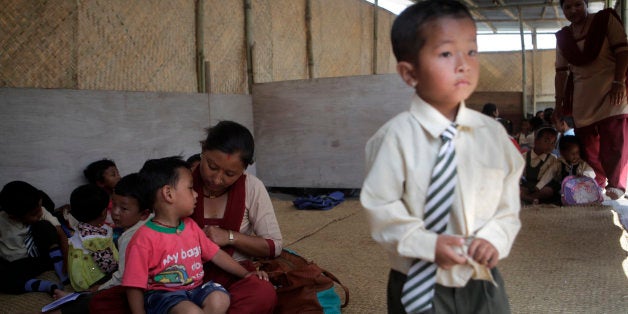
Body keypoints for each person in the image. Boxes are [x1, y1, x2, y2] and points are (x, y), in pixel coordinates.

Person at [360, 1, 524, 313]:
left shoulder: (493, 135)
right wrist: (426, 243)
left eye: (472, 51)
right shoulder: (392, 139)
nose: (464, 64)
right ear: (409, 73)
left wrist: (494, 238)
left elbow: (507, 202)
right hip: (419, 281)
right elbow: (380, 206)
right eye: (447, 53)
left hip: (480, 275)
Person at [122, 156, 267, 314]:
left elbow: (216, 254)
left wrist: (246, 274)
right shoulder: (144, 238)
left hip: (196, 289)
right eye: (190, 188)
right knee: (191, 312)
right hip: (165, 296)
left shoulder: (190, 226)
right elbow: (134, 285)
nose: (196, 194)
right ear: (168, 194)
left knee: (220, 298)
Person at [190, 120, 281, 313]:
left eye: (230, 174)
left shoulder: (252, 187)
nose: (216, 179)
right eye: (212, 166)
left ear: (243, 170)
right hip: (186, 275)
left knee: (262, 292)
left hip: (236, 275)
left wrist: (230, 237)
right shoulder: (183, 182)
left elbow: (274, 246)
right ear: (203, 150)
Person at [554, 0, 628, 200]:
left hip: (611, 88)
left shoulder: (605, 20)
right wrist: (558, 103)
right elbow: (560, 73)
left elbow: (623, 52)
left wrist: (619, 83)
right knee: (587, 145)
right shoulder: (563, 37)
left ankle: (617, 184)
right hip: (582, 95)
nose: (573, 10)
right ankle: (601, 177)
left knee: (614, 139)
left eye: (577, 4)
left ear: (586, 4)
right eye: (567, 7)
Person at [0, 181, 68, 297]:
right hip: (17, 263)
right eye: (34, 214)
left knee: (44, 225)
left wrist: (67, 261)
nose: (40, 212)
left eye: (40, 207)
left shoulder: (40, 210)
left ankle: (60, 267)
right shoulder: (2, 221)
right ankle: (44, 285)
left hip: (45, 257)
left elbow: (61, 233)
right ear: (14, 217)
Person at [67, 184, 119, 292]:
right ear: (104, 212)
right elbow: (108, 266)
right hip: (93, 279)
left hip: (79, 275)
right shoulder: (96, 239)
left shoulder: (81, 229)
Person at [535, 135, 596, 202]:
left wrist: (584, 176)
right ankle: (533, 198)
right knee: (546, 191)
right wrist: (539, 186)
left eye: (578, 153)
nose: (576, 156)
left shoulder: (582, 164)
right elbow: (549, 174)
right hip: (560, 189)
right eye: (573, 154)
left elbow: (591, 172)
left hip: (577, 190)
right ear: (563, 153)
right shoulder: (559, 163)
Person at [520, 128, 559, 204]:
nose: (550, 145)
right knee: (516, 189)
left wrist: (538, 187)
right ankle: (532, 199)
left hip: (543, 186)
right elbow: (518, 174)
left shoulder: (553, 159)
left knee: (548, 191)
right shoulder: (524, 156)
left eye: (553, 142)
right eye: (546, 141)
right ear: (536, 141)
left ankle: (528, 199)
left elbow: (548, 176)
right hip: (528, 185)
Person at [81, 158, 122, 228]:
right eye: (113, 175)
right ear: (100, 183)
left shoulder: (122, 194)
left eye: (118, 173)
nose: (119, 177)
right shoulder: (98, 202)